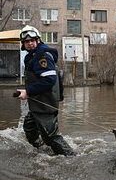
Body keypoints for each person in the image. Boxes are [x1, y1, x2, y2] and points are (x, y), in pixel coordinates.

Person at [17, 25, 75, 156]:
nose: (30, 43)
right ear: (23, 44)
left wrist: (28, 92)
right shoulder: (31, 56)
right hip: (37, 103)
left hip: (45, 104)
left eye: (32, 40)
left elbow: (49, 80)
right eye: (27, 41)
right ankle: (42, 151)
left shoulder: (42, 55)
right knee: (29, 127)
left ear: (38, 41)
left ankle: (71, 158)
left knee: (51, 137)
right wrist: (27, 90)